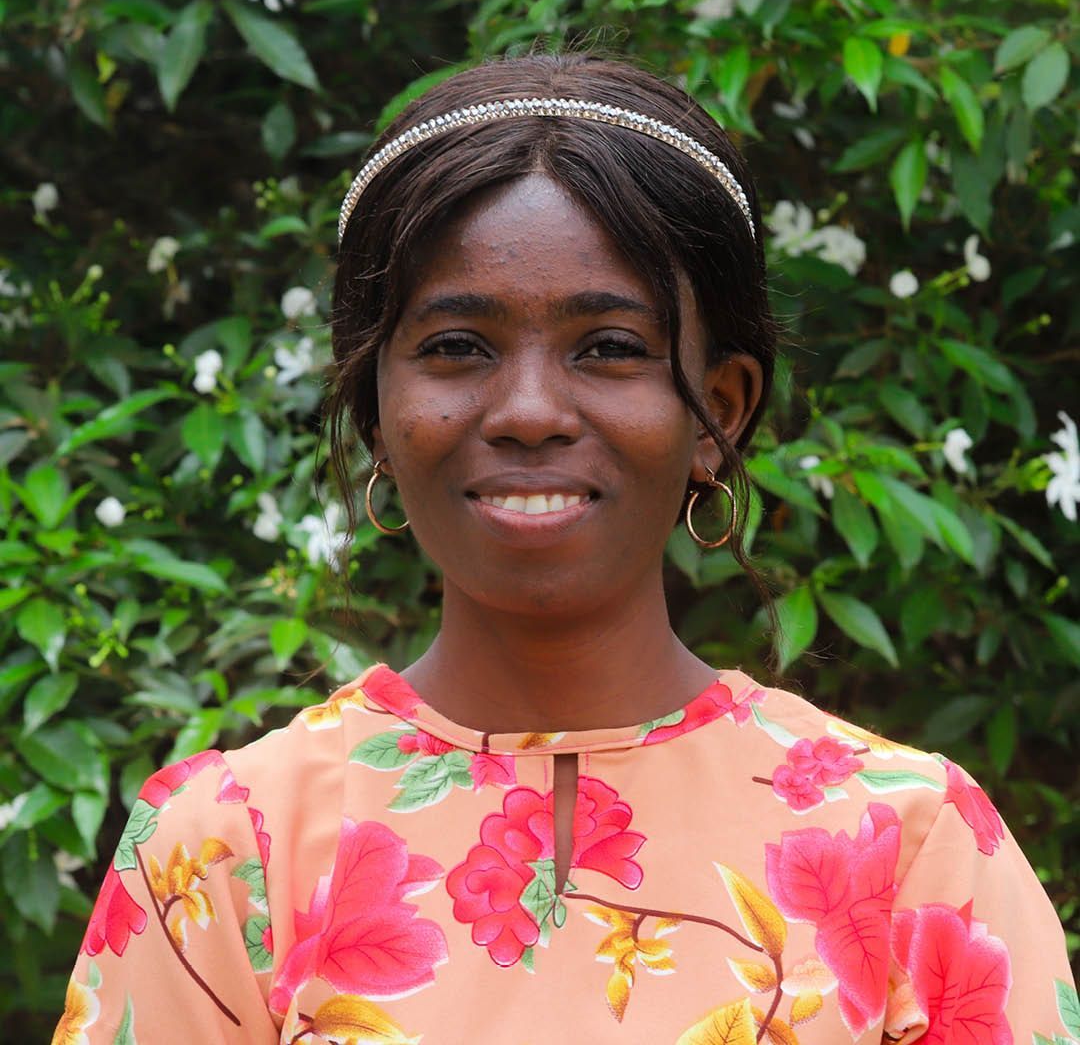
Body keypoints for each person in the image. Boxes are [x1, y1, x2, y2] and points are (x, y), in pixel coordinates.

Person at [54, 54, 1073, 1045]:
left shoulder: (914, 853)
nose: (531, 411)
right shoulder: (229, 853)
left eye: (610, 348)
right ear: (377, 414)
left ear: (716, 415)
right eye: (458, 347)